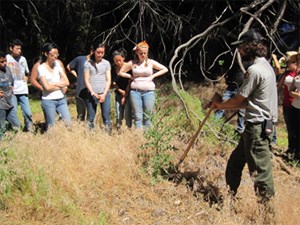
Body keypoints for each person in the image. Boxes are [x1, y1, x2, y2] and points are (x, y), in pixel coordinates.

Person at [211, 29, 277, 218]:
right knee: (234, 163)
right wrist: (221, 105)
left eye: (241, 46)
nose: (239, 50)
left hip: (257, 127)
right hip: (254, 127)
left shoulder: (255, 70)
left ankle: (268, 217)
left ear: (250, 47)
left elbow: (240, 99)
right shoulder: (267, 67)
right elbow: (247, 101)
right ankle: (229, 199)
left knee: (261, 175)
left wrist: (219, 105)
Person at [119, 41, 168, 129]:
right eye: (141, 53)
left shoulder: (150, 62)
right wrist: (130, 76)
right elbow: (121, 72)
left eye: (145, 53)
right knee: (138, 116)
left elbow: (165, 69)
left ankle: (148, 137)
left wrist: (153, 75)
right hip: (135, 92)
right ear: (137, 53)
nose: (143, 55)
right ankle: (139, 137)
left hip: (148, 92)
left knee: (147, 116)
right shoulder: (133, 63)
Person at [37, 42, 72, 130]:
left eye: (57, 54)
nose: (56, 56)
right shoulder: (41, 68)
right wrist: (60, 85)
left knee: (68, 123)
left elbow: (67, 82)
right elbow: (46, 88)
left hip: (61, 99)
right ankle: (51, 142)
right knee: (51, 126)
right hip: (48, 101)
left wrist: (54, 84)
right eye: (53, 54)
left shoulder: (58, 65)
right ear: (46, 54)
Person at [6, 39, 33, 131]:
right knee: (13, 112)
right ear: (11, 48)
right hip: (11, 91)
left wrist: (25, 81)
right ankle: (14, 129)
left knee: (27, 112)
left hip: (22, 90)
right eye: (17, 48)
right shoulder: (6, 58)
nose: (19, 51)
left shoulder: (23, 59)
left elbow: (27, 72)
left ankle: (29, 129)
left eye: (20, 49)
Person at [214, 62, 248, 135]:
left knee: (242, 111)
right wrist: (226, 77)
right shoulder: (232, 59)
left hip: (242, 88)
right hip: (231, 87)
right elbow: (222, 65)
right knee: (221, 106)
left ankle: (240, 131)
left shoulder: (249, 60)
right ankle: (214, 125)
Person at [84, 43, 111, 132]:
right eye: (98, 52)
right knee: (91, 117)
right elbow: (87, 80)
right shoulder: (87, 64)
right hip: (92, 94)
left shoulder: (106, 63)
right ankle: (90, 136)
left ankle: (107, 135)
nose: (100, 54)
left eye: (102, 53)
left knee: (106, 116)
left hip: (104, 93)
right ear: (94, 52)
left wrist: (104, 94)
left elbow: (108, 80)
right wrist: (93, 93)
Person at [276, 51, 298, 156]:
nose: (289, 64)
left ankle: (297, 150)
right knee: (290, 128)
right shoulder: (286, 74)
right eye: (288, 62)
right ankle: (291, 149)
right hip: (287, 104)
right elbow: (278, 87)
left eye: (291, 62)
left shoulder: (298, 73)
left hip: (296, 103)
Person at [66, 47, 93, 121]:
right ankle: (80, 128)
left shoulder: (96, 62)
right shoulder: (80, 59)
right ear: (91, 51)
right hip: (80, 88)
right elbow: (69, 67)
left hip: (92, 90)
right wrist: (77, 75)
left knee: (91, 114)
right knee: (81, 113)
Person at [0, 51, 20, 139]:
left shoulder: (7, 69)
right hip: (1, 104)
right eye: (2, 62)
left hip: (9, 101)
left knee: (16, 125)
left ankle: (15, 142)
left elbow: (11, 82)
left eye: (5, 61)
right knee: (2, 128)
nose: (4, 63)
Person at [112, 48, 132, 129]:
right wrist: (120, 90)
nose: (118, 62)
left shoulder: (129, 67)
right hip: (118, 93)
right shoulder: (113, 69)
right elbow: (113, 82)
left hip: (129, 93)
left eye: (120, 60)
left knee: (128, 115)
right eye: (116, 60)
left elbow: (131, 80)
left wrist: (125, 93)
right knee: (118, 114)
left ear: (123, 58)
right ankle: (118, 131)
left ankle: (129, 130)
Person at [288, 50, 300, 160]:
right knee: (294, 131)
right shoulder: (297, 73)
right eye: (298, 59)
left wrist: (294, 93)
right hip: (294, 107)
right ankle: (296, 155)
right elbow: (290, 90)